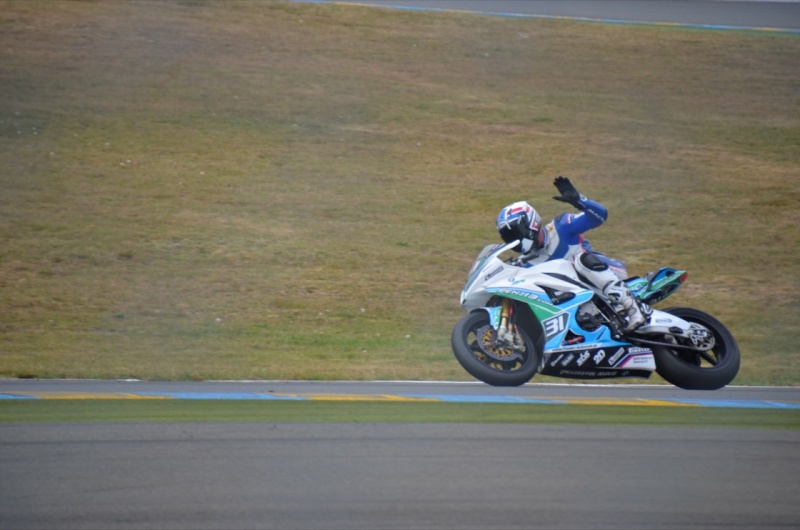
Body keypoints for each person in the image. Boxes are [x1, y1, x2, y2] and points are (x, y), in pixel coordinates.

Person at [495, 176, 648, 331]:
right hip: (583, 300)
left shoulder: (561, 226)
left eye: (516, 232)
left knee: (579, 260)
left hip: (607, 272)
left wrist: (579, 201)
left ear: (530, 223)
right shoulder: (526, 262)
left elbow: (600, 217)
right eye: (509, 237)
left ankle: (633, 307)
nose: (515, 239)